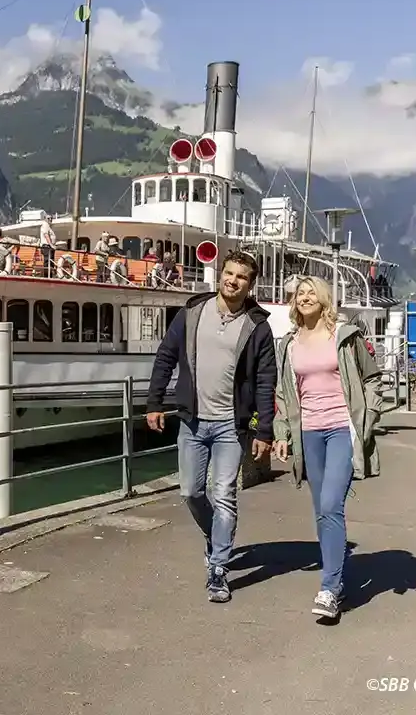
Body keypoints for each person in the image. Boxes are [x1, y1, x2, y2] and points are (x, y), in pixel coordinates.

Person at [146, 250, 278, 604]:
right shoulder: (193, 313)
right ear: (221, 275)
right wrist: (155, 402)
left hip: (230, 426)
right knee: (190, 491)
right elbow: (165, 357)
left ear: (251, 285)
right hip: (191, 419)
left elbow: (266, 381)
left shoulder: (258, 327)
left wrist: (264, 430)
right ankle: (215, 537)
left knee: (224, 495)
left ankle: (218, 568)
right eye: (229, 273)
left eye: (241, 277)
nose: (232, 281)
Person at [272, 276, 383, 620]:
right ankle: (336, 571)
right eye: (299, 294)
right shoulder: (288, 344)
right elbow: (283, 392)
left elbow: (372, 378)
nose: (304, 297)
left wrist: (369, 417)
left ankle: (330, 587)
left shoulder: (345, 336)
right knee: (322, 509)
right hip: (308, 432)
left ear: (323, 300)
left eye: (311, 293)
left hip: (341, 429)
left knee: (332, 503)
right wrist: (281, 433)